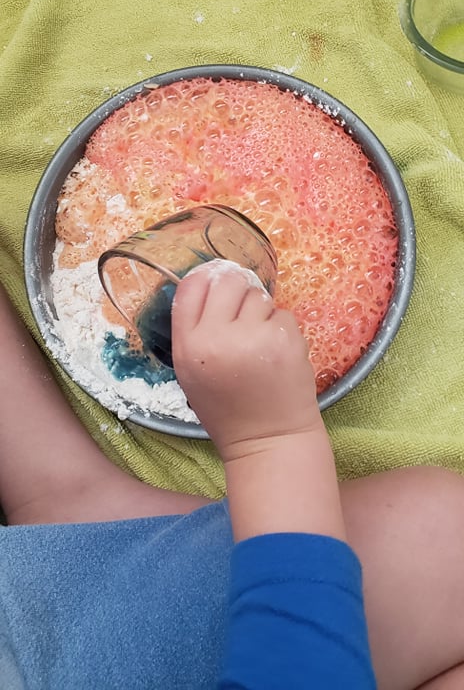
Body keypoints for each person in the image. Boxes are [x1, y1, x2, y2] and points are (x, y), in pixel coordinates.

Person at [0, 268, 463, 689]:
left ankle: (63, 508)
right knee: (442, 537)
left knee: (60, 492)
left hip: (39, 598)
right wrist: (270, 436)